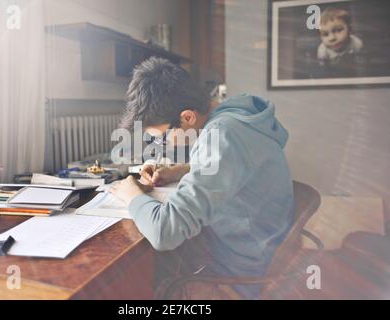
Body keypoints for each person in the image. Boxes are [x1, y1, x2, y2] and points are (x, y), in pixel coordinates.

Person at [110, 57, 294, 299]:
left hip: (241, 273)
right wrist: (182, 170)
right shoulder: (236, 116)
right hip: (259, 246)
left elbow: (165, 232)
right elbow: (236, 165)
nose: (161, 145)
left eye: (162, 138)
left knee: (138, 283)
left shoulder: (222, 134)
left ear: (187, 117)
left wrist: (131, 194)